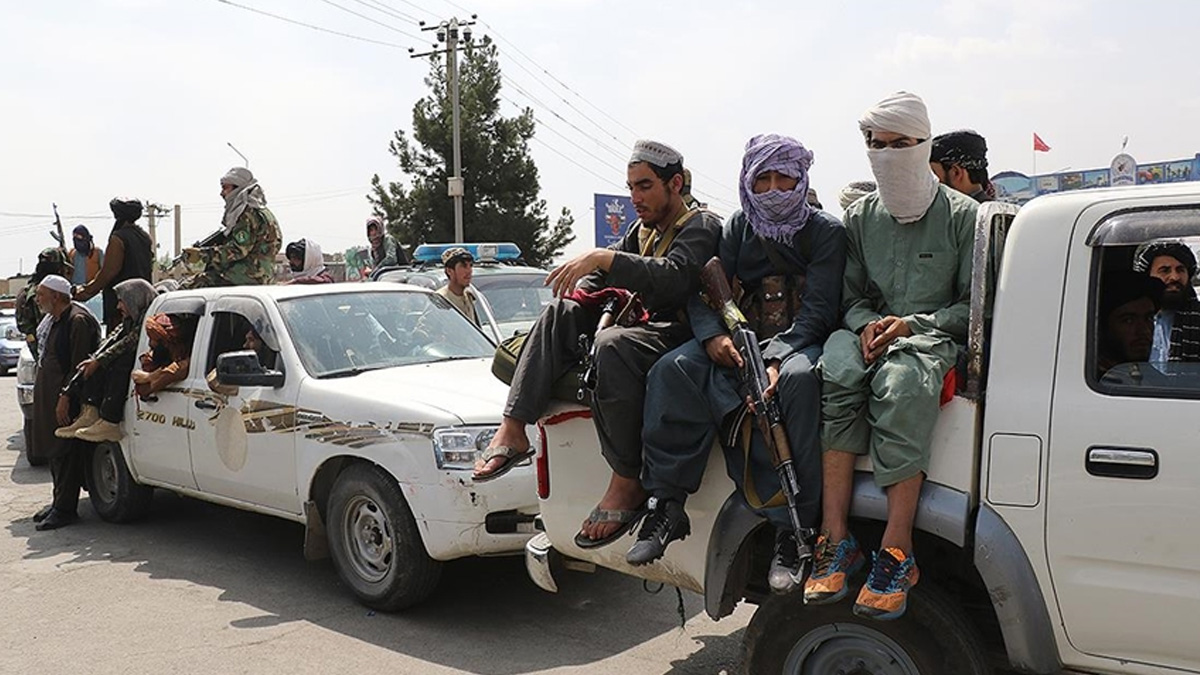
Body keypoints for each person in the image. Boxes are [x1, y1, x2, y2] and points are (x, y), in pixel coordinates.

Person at [474, 140, 722, 548]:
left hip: (679, 332)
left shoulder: (701, 225)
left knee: (611, 345)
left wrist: (603, 260)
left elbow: (674, 277)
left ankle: (627, 481)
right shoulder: (640, 231)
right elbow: (602, 280)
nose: (635, 198)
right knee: (560, 312)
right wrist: (584, 287)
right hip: (637, 329)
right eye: (630, 188)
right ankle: (514, 428)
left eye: (644, 186)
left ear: (674, 183)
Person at [630, 135, 846, 594]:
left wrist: (774, 357)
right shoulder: (737, 227)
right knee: (673, 369)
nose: (772, 189)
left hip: (798, 343)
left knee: (799, 383)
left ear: (800, 177)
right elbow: (707, 292)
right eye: (761, 179)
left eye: (782, 178)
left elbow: (820, 310)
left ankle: (794, 528)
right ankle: (666, 504)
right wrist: (712, 337)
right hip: (738, 340)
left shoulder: (825, 231)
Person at [806, 92, 979, 620]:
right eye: (875, 145)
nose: (885, 154)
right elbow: (853, 297)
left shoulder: (963, 215)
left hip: (930, 336)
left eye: (898, 144)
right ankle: (835, 538)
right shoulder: (860, 218)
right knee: (835, 370)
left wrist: (912, 324)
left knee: (902, 385)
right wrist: (864, 325)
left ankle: (897, 550)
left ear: (923, 145)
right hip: (869, 332)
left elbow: (971, 308)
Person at [30, 275, 101, 531]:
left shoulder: (77, 321)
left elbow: (78, 367)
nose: (38, 299)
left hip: (66, 397)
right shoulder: (56, 319)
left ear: (57, 296)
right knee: (54, 451)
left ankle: (65, 509)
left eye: (41, 294)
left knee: (66, 451)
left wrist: (65, 396)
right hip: (51, 394)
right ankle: (58, 501)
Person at [55, 279, 158, 443]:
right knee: (94, 362)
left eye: (122, 301)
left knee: (118, 362)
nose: (118, 307)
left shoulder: (149, 319)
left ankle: (110, 421)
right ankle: (90, 412)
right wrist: (95, 359)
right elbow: (111, 341)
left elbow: (127, 343)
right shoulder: (130, 320)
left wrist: (99, 360)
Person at [180, 167, 281, 288]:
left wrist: (203, 254)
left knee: (187, 288)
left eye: (225, 188)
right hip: (262, 275)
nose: (222, 193)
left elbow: (238, 250)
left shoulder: (247, 214)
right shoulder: (262, 211)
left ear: (237, 188)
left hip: (245, 276)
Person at [74, 198, 154, 331]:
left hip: (122, 309)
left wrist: (84, 293)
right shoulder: (144, 236)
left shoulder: (118, 239)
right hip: (142, 305)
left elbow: (107, 273)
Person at [1133, 240, 1200, 362]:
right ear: (1148, 277)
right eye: (1165, 270)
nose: (1175, 277)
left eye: (1180, 270)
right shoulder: (1129, 320)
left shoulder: (1196, 320)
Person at [1097, 272, 1162, 377]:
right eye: (1128, 320)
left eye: (1149, 318)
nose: (1144, 330)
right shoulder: (1090, 381)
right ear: (1102, 326)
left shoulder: (1153, 379)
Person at [16, 247, 71, 359]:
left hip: (39, 354)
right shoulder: (50, 293)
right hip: (54, 355)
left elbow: (23, 326)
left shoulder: (25, 292)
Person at [132, 313, 198, 398]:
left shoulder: (188, 357)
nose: (150, 343)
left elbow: (179, 369)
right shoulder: (162, 354)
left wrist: (149, 377)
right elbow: (139, 382)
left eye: (155, 340)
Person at [929, 130, 993, 203]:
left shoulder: (970, 212)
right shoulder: (994, 211)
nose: (929, 181)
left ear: (956, 172)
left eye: (933, 173)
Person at [437, 247, 479, 325]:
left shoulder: (469, 296)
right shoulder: (440, 300)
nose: (469, 271)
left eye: (470, 265)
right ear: (449, 271)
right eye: (464, 266)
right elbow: (424, 333)